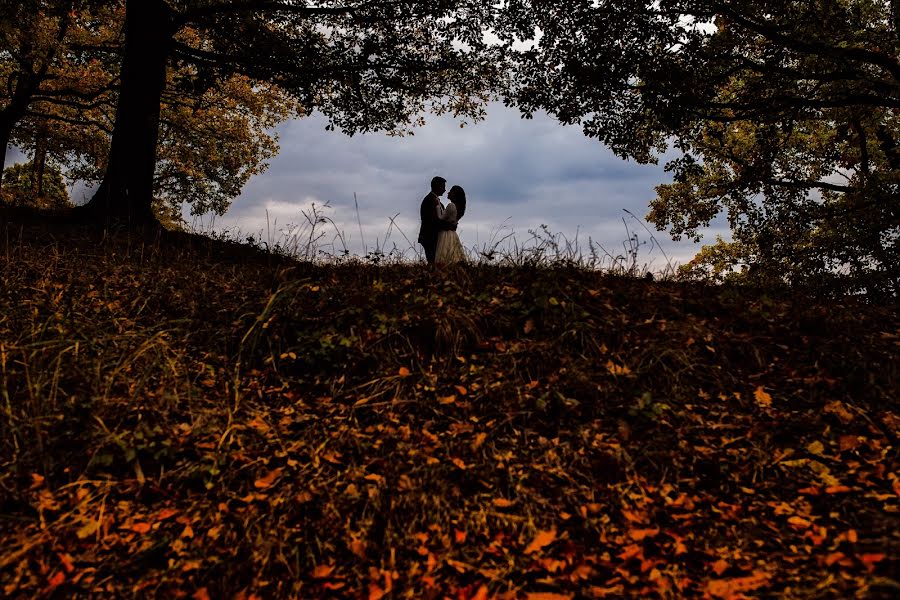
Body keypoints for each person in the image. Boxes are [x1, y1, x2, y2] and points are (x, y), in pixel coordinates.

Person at [417, 176, 456, 264]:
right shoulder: (429, 201)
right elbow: (433, 221)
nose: (445, 190)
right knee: (433, 262)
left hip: (434, 236)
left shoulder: (438, 202)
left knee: (436, 262)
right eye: (443, 187)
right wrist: (450, 226)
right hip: (430, 236)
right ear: (437, 186)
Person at [435, 185, 467, 264]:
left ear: (454, 194)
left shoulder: (451, 205)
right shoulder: (459, 208)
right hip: (453, 234)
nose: (448, 192)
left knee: (443, 255)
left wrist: (437, 206)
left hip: (445, 234)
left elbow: (440, 217)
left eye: (451, 191)